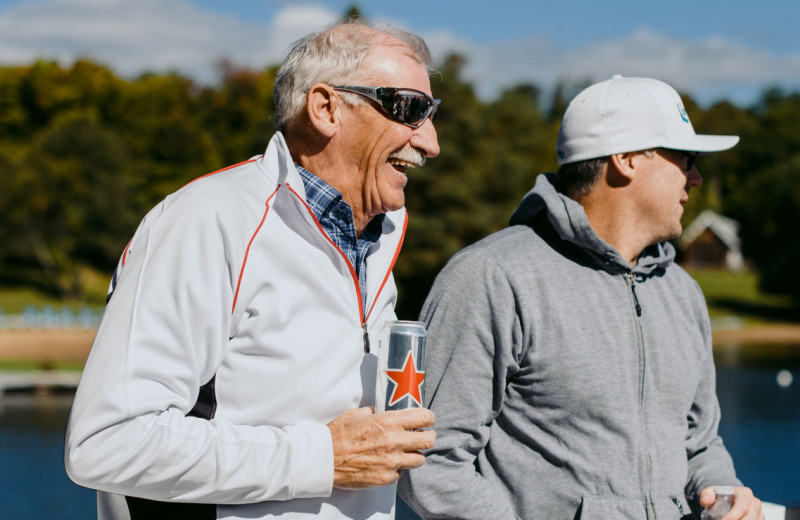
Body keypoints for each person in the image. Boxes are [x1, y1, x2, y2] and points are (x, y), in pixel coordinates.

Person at [65, 19, 440, 520]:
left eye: (432, 113)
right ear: (326, 108)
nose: (431, 142)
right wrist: (321, 458)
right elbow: (106, 442)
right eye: (409, 109)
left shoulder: (380, 234)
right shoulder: (208, 220)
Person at [398, 75, 764, 519]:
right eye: (685, 158)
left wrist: (721, 488)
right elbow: (429, 463)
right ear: (626, 159)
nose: (697, 176)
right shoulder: (492, 277)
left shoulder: (683, 293)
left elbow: (700, 443)